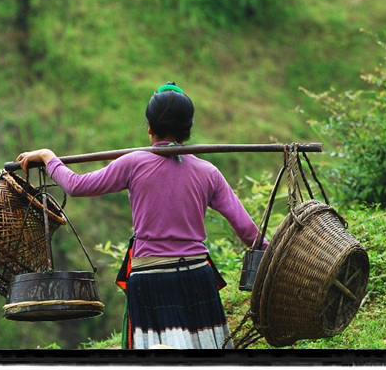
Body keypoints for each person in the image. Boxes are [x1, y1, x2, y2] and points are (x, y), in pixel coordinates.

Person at [16, 82, 267, 350]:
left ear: (150, 128)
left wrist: (48, 156)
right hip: (196, 276)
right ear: (187, 130)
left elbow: (77, 185)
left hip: (151, 277)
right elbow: (249, 232)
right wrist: (274, 253)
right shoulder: (208, 172)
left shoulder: (133, 162)